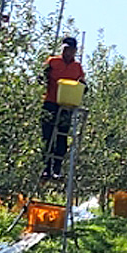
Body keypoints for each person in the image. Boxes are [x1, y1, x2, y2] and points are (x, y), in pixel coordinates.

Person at [41, 36, 86, 178]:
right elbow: (42, 77)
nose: (68, 52)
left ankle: (57, 168)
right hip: (50, 102)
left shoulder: (77, 67)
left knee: (62, 136)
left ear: (75, 51)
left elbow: (83, 83)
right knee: (47, 136)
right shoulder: (53, 62)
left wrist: (82, 87)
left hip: (66, 105)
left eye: (71, 50)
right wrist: (43, 78)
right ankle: (45, 167)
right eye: (66, 49)